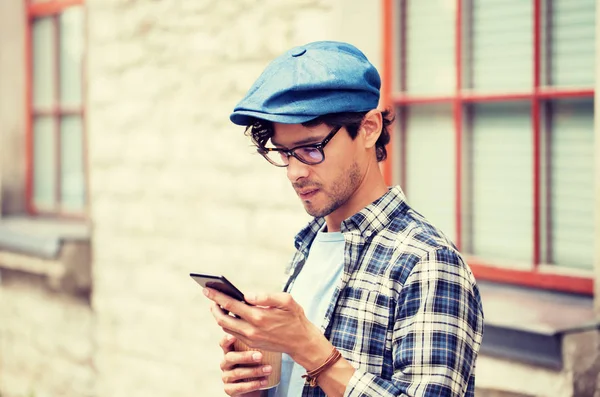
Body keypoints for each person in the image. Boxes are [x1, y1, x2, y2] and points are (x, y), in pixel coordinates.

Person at [203, 40, 484, 397]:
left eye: (310, 148)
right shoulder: (311, 243)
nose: (294, 173)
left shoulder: (426, 262)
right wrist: (257, 389)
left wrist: (309, 349)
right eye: (284, 153)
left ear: (369, 128)